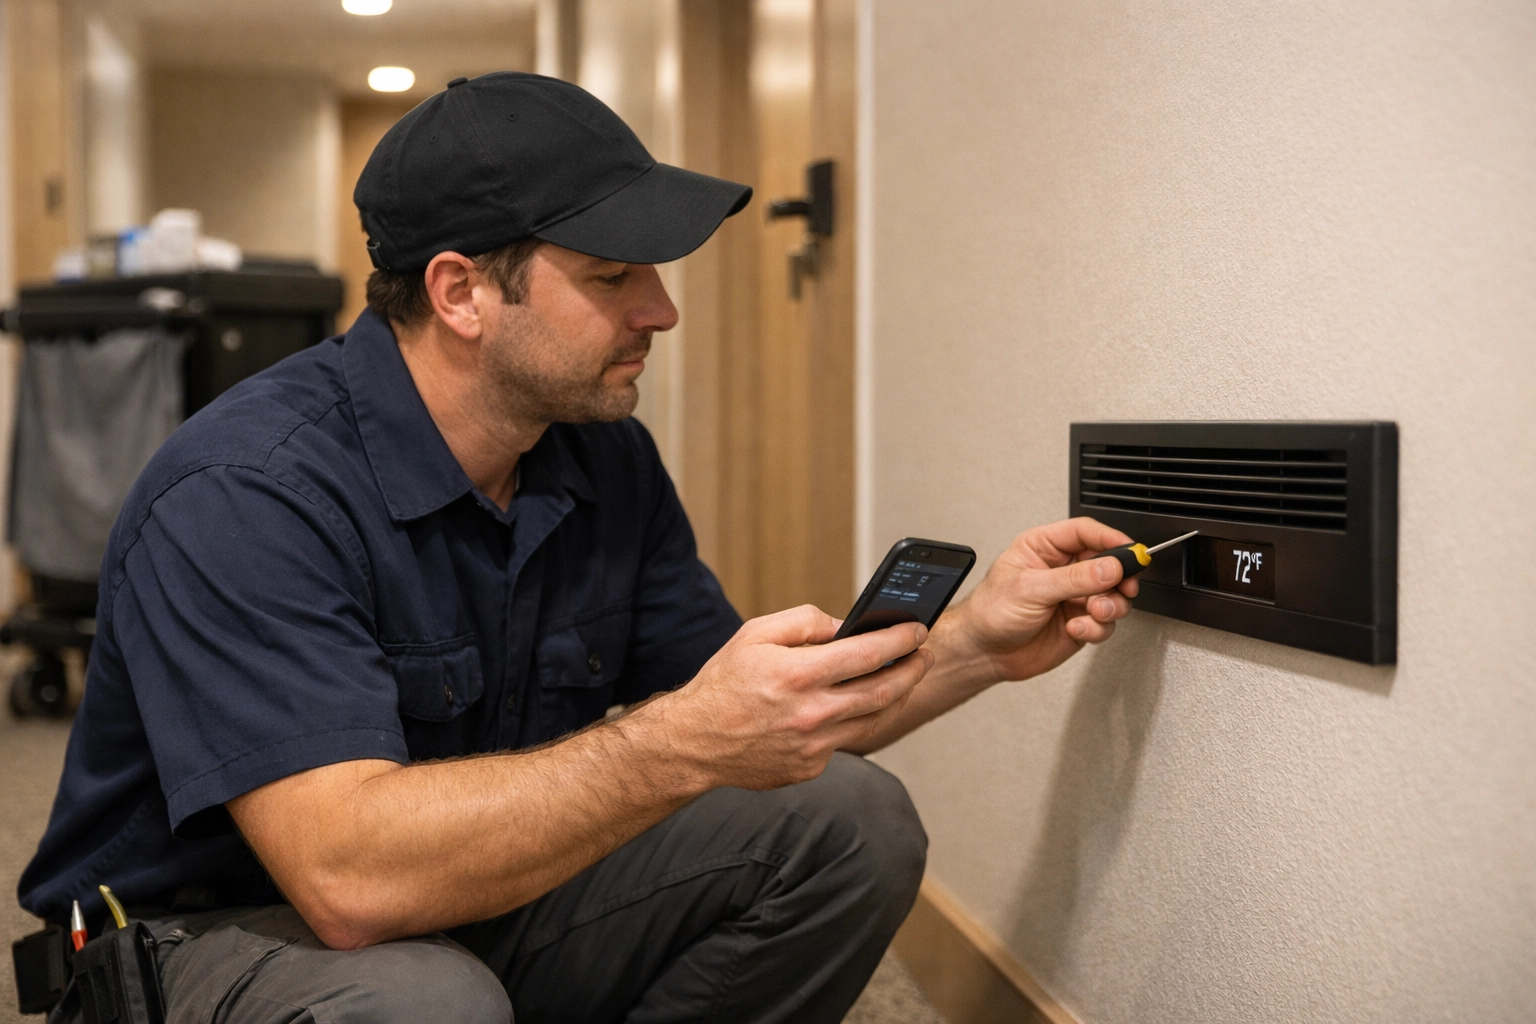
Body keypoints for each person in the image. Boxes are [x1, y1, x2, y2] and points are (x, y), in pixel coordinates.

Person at [18, 72, 1138, 1024]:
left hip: (461, 899)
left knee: (851, 821)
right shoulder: (247, 491)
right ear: (461, 293)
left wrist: (979, 645)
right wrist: (674, 746)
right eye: (612, 277)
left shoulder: (599, 459)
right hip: (206, 930)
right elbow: (347, 878)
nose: (661, 311)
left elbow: (766, 720)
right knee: (425, 1001)